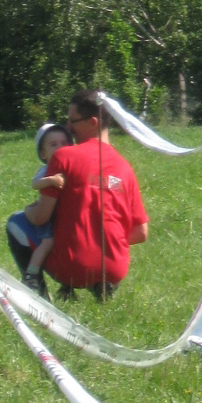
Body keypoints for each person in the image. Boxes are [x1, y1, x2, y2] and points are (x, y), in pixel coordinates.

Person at [37, 90, 150, 300]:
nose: (67, 128)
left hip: (72, 267)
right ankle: (103, 286)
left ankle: (39, 294)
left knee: (16, 224)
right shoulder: (125, 168)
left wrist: (27, 211)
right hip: (115, 268)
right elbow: (141, 232)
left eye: (72, 121)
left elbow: (41, 217)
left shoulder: (63, 157)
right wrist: (108, 241)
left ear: (93, 123)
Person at [5, 122, 70, 297]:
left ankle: (67, 287)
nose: (60, 148)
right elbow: (35, 184)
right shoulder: (47, 170)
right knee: (48, 243)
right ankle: (31, 275)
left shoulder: (71, 166)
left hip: (63, 217)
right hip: (48, 218)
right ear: (43, 153)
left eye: (64, 143)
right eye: (53, 145)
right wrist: (50, 180)